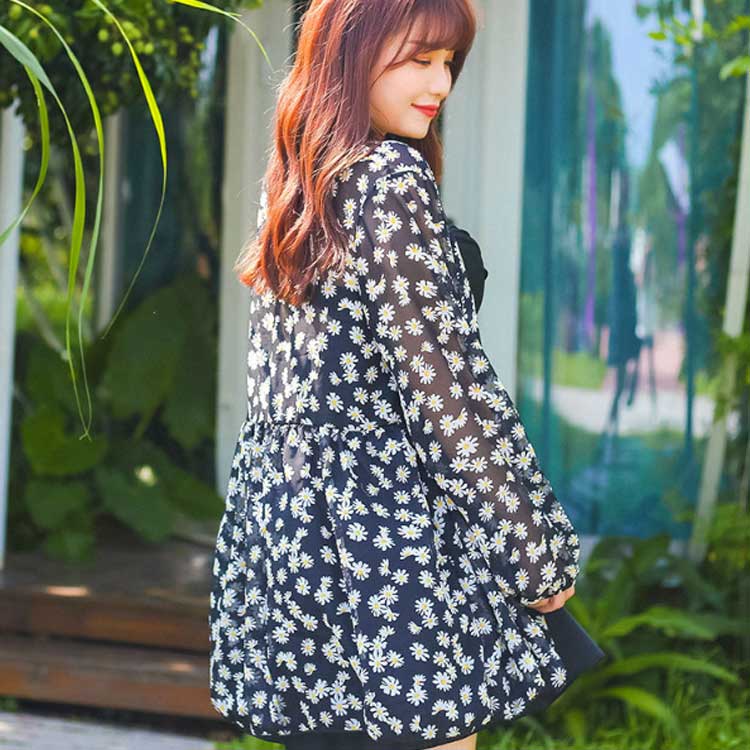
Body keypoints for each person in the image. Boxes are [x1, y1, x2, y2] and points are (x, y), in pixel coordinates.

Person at [208, 2, 579, 749]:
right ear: (352, 52)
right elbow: (449, 389)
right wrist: (532, 549)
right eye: (419, 59)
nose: (440, 83)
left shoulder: (301, 184)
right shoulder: (388, 179)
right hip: (387, 542)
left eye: (448, 63)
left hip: (293, 539)